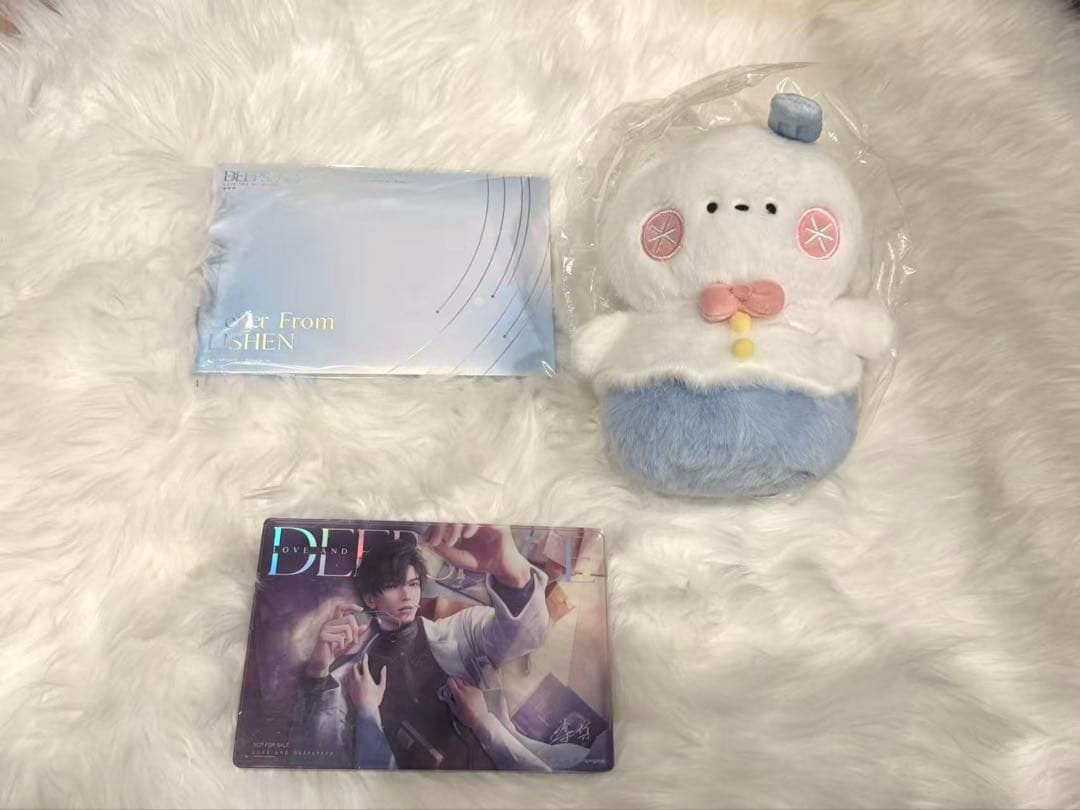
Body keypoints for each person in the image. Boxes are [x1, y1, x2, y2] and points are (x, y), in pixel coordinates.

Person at [288, 523, 557, 770]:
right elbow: (317, 752)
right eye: (393, 586)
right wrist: (317, 670)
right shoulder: (355, 676)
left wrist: (511, 575)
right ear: (370, 599)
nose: (407, 595)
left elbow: (525, 636)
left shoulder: (462, 630)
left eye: (413, 584)